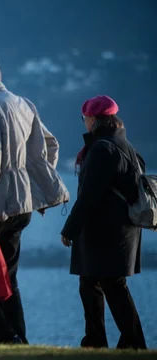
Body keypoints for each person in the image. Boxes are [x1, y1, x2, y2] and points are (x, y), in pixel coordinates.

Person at [0, 53, 69, 344]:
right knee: (8, 277)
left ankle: (6, 336)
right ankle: (18, 339)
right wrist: (37, 190)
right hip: (22, 206)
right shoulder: (23, 104)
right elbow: (50, 145)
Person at [61, 95, 147, 349]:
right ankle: (97, 339)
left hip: (105, 230)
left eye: (84, 118)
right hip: (120, 229)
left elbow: (89, 194)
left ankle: (131, 341)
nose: (84, 123)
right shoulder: (124, 144)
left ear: (93, 119)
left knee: (110, 285)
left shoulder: (101, 149)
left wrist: (70, 229)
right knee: (91, 283)